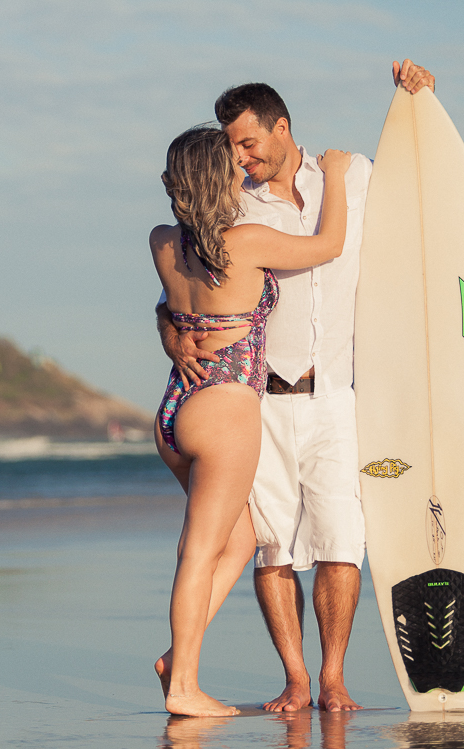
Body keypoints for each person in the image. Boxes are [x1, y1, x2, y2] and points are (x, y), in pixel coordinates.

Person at [156, 60, 436, 712]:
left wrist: (422, 101)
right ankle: (294, 678)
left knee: (342, 539)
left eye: (248, 142)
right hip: (256, 403)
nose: (241, 157)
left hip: (332, 392)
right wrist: (171, 335)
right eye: (230, 149)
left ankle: (331, 677)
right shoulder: (232, 210)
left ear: (281, 127)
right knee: (270, 549)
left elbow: (422, 182)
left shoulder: (354, 175)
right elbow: (176, 300)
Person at [150, 124, 352, 717]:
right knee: (198, 550)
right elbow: (329, 245)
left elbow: (170, 306)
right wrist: (336, 177)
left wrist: (172, 334)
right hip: (225, 411)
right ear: (223, 180)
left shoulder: (161, 241)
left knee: (243, 538)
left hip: (175, 408)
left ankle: (175, 658)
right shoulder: (247, 242)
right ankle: (184, 687)